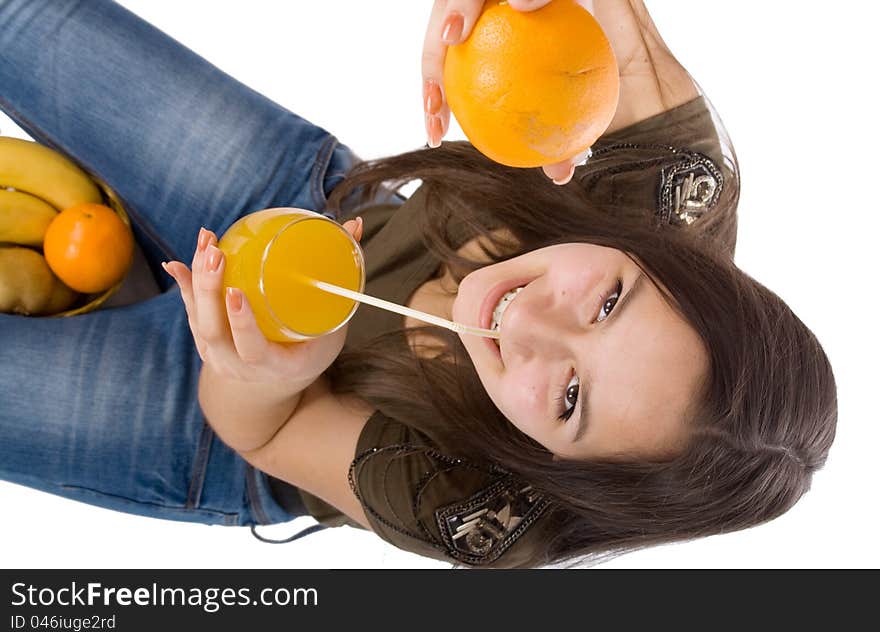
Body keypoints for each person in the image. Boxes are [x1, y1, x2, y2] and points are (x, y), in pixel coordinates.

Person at [0, 0, 837, 569]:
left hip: (234, 416)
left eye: (571, 396)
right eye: (609, 300)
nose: (529, 324)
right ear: (662, 257)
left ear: (559, 467)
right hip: (319, 220)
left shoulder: (477, 505)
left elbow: (261, 430)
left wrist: (266, 375)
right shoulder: (666, 185)